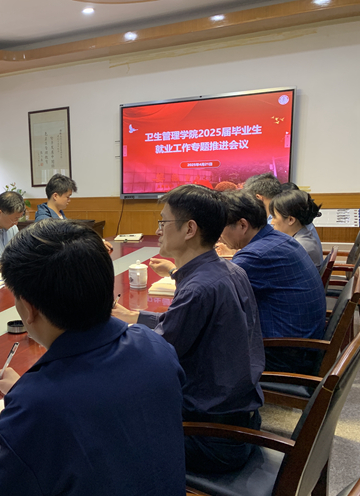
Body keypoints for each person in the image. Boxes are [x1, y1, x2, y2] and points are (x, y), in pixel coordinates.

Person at [0, 220, 187, 496]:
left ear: (28, 307)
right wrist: (29, 392)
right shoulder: (154, 345)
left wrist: (27, 398)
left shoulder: (37, 402)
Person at [111, 185, 265, 474]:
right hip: (239, 423)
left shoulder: (199, 288)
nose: (157, 230)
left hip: (210, 437)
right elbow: (183, 327)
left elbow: (153, 356)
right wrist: (134, 317)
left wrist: (105, 335)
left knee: (105, 431)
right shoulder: (231, 271)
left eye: (163, 222)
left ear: (190, 229)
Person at [219, 190, 327, 375]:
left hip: (284, 355)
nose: (218, 234)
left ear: (242, 225)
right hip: (303, 345)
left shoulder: (255, 255)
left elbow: (212, 295)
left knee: (204, 344)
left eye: (220, 227)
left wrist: (176, 270)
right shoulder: (280, 239)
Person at [269, 189, 324, 269]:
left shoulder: (298, 247)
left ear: (291, 220)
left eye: (274, 217)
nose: (272, 222)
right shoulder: (302, 238)